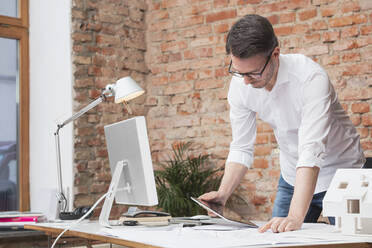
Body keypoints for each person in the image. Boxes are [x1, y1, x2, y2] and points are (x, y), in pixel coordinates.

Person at [199, 14, 365, 233]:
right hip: (292, 175)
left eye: (253, 73)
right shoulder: (241, 83)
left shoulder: (311, 78)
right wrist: (222, 195)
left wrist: (296, 216)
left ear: (275, 54)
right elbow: (241, 147)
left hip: (341, 173)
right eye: (239, 72)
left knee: (352, 242)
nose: (246, 81)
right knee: (275, 239)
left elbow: (311, 151)